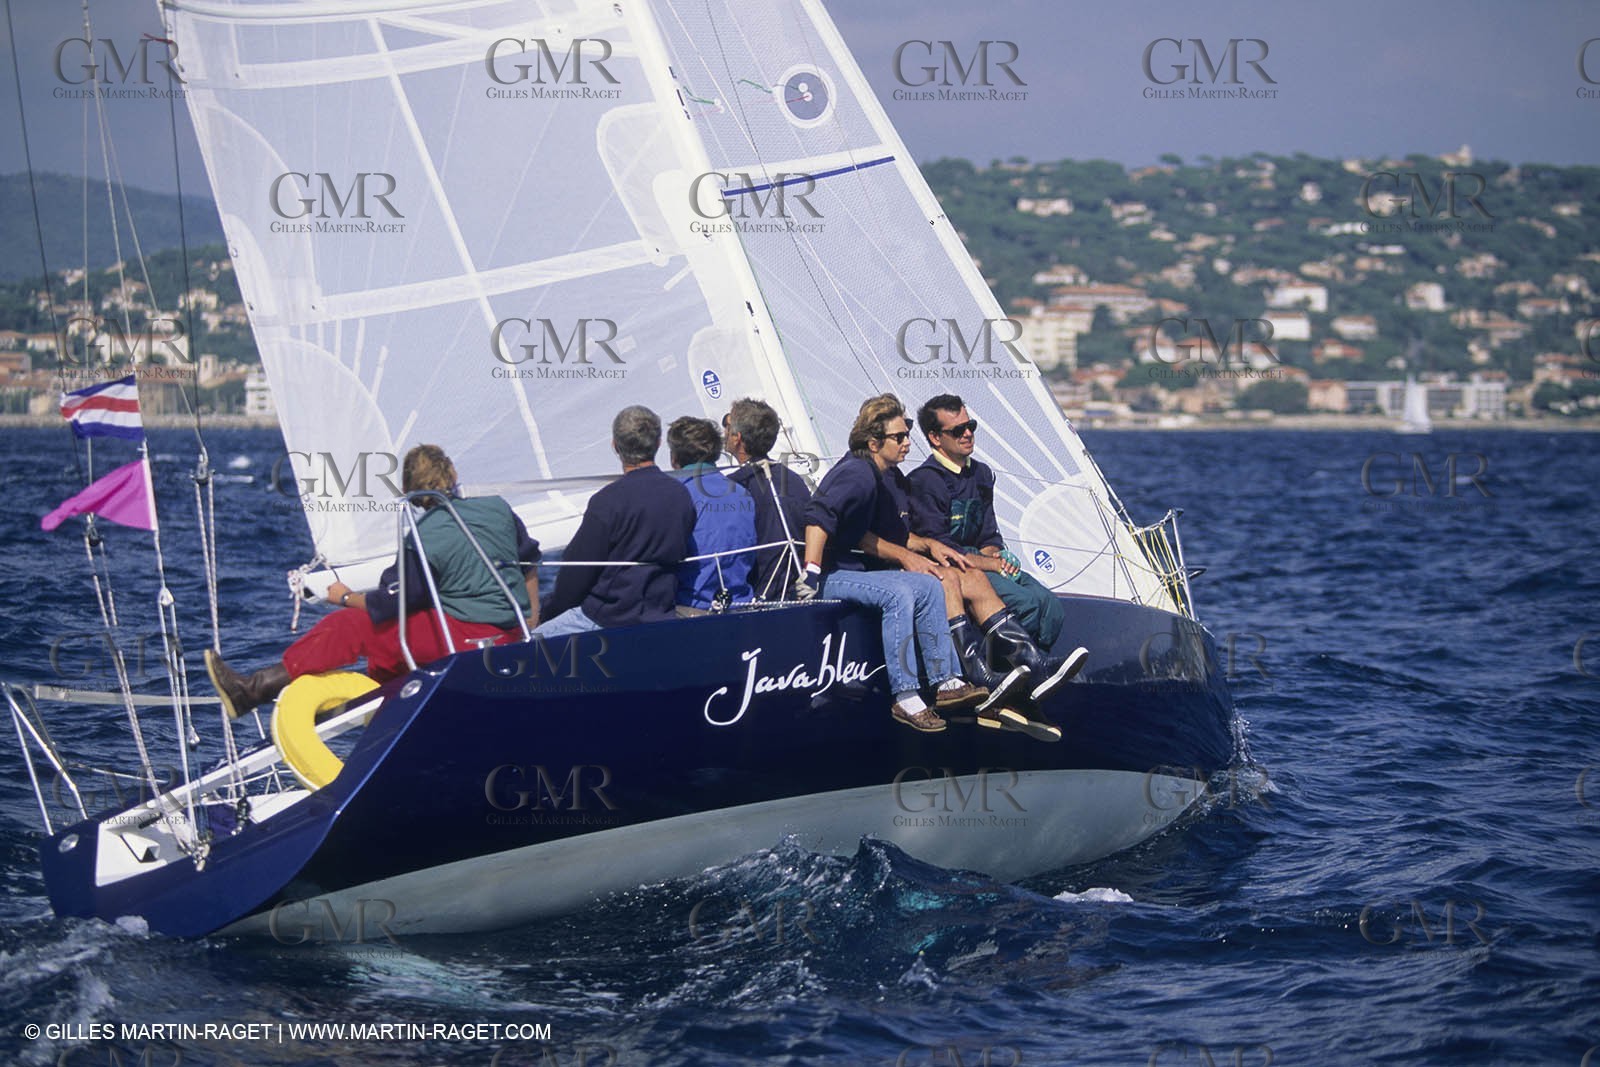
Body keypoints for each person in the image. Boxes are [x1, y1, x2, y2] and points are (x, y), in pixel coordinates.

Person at [205, 444, 541, 718]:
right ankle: (393, 710)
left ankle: (252, 690)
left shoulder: (423, 535)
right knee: (391, 642)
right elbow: (529, 563)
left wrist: (345, 597)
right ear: (453, 474)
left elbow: (391, 602)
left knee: (354, 626)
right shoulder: (499, 509)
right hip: (511, 635)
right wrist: (531, 619)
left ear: (408, 489)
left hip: (467, 639)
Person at [796, 394, 987, 733]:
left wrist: (926, 546)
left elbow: (881, 535)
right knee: (898, 593)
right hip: (830, 573)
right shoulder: (857, 474)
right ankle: (906, 695)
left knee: (930, 584)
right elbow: (818, 517)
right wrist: (810, 571)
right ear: (873, 442)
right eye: (899, 437)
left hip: (857, 570)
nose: (907, 443)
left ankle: (947, 684)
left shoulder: (888, 478)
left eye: (907, 433)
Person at [907, 394, 1088, 713]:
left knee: (1050, 606)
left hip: (982, 557)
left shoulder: (981, 475)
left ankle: (1031, 676)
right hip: (955, 563)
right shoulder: (925, 482)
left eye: (970, 426)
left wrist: (998, 557)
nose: (967, 434)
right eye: (957, 430)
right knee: (1026, 605)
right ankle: (1007, 678)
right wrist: (990, 563)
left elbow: (989, 534)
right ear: (935, 438)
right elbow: (941, 547)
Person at [536, 405, 696, 636]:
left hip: (608, 618)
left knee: (529, 642)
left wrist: (550, 612)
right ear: (659, 443)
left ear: (615, 446)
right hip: (660, 612)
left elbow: (576, 573)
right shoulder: (680, 494)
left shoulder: (607, 501)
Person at [724, 397, 812, 599]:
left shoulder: (734, 487)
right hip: (798, 589)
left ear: (737, 438)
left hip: (763, 595)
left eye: (727, 427)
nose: (724, 432)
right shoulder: (795, 480)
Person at [667, 415, 755, 613]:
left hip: (691, 607)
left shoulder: (674, 496)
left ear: (674, 458)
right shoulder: (742, 492)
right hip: (740, 603)